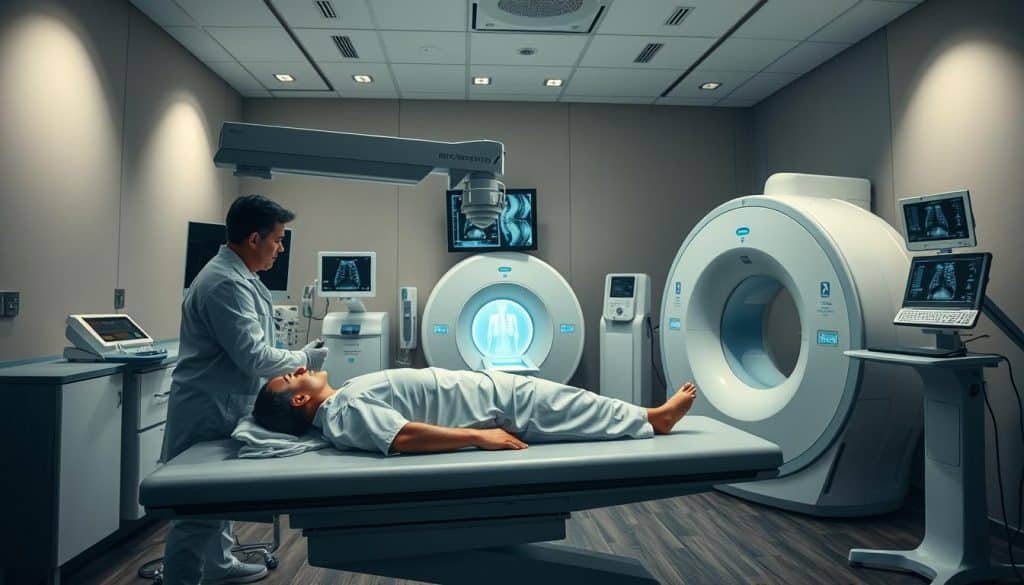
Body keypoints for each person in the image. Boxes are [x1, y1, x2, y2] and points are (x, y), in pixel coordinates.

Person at [161, 195, 329, 585]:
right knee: (195, 510)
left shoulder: (240, 277)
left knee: (216, 496)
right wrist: (304, 357)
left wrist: (295, 357)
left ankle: (218, 566)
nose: (281, 248)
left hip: (224, 403)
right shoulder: (224, 283)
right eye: (278, 239)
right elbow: (253, 356)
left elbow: (256, 347)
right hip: (207, 409)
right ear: (254, 239)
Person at [252, 366, 698, 455]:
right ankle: (653, 419)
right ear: (299, 401)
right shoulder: (343, 410)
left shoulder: (342, 402)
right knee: (575, 405)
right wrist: (478, 437)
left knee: (573, 402)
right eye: (292, 378)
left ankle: (647, 415)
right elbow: (402, 436)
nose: (300, 369)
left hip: (488, 392)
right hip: (495, 407)